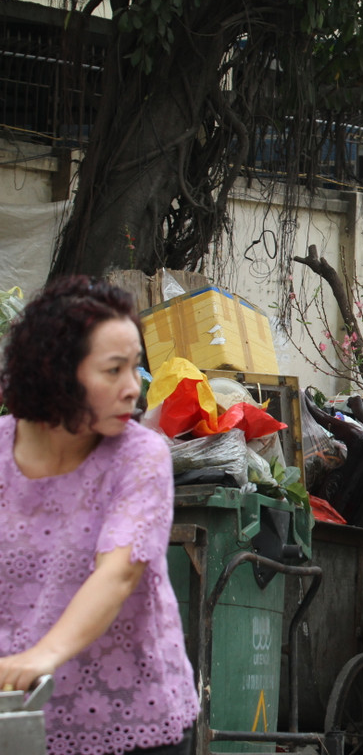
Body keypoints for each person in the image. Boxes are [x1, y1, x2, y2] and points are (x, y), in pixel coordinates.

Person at [0, 276, 199, 755]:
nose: (134, 389)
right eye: (114, 371)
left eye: (135, 369)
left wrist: (42, 655)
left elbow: (118, 573)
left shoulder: (140, 457)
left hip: (132, 719)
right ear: (56, 373)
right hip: (16, 719)